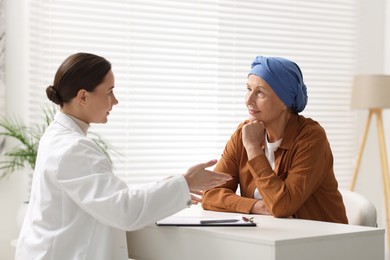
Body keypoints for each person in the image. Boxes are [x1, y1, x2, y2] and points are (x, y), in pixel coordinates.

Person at [15, 52, 232, 260]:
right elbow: (124, 211)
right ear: (83, 96)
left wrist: (168, 185)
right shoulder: (73, 147)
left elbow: (106, 194)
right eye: (109, 92)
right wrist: (186, 182)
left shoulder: (58, 136)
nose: (115, 101)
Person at [202, 55, 348, 224]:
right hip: (273, 236)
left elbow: (281, 205)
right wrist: (257, 206)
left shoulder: (311, 138)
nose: (248, 100)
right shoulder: (243, 132)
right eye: (248, 89)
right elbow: (210, 195)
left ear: (284, 101)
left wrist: (253, 148)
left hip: (324, 241)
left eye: (260, 92)